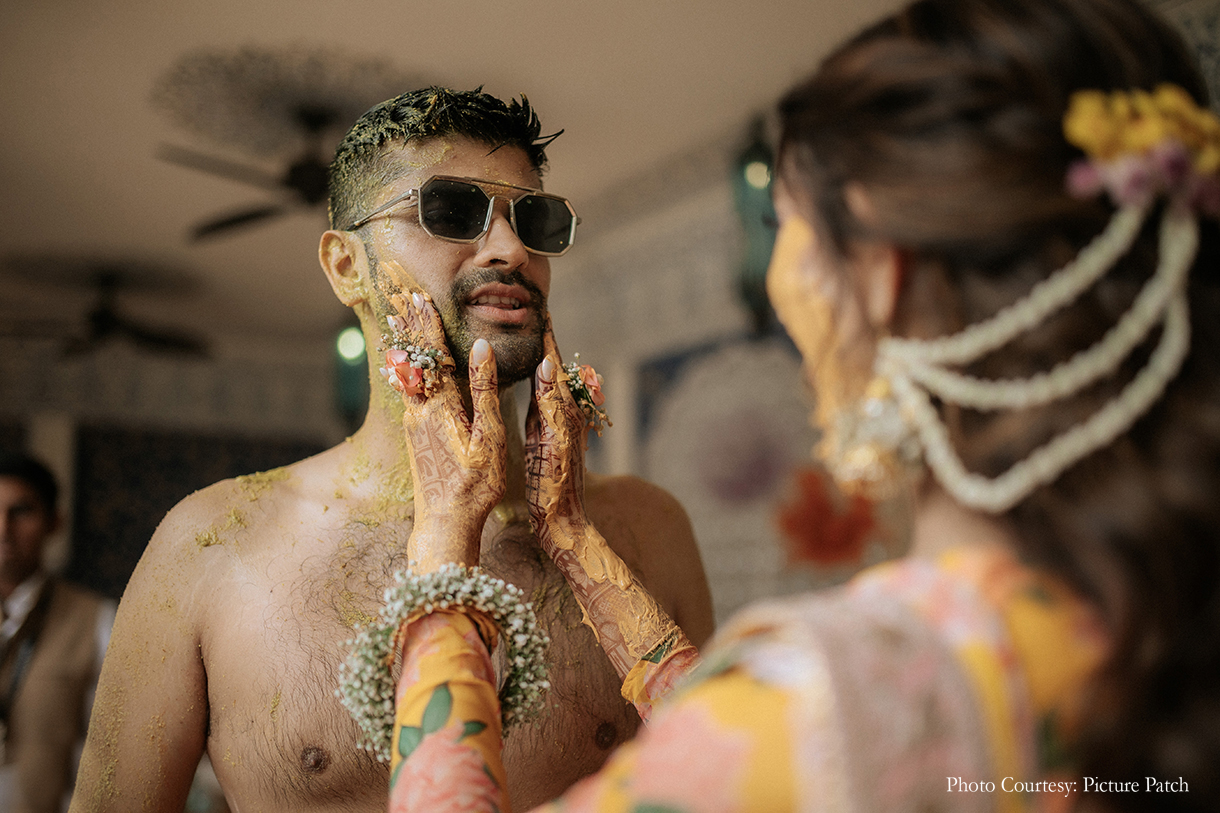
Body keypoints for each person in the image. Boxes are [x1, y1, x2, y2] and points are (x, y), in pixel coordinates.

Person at [366, 1, 1220, 810]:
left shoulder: (839, 700)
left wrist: (442, 556)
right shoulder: (1149, 616)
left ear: (881, 272)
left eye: (782, 226)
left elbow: (775, 745)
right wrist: (576, 543)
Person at [69, 88, 714, 812]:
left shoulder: (646, 529)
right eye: (448, 212)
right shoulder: (209, 546)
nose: (510, 250)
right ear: (346, 266)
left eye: (533, 218)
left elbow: (724, 781)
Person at [0, 453, 114, 813]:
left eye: (21, 511)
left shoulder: (97, 620)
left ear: (55, 523)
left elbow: (103, 753)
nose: (3, 528)